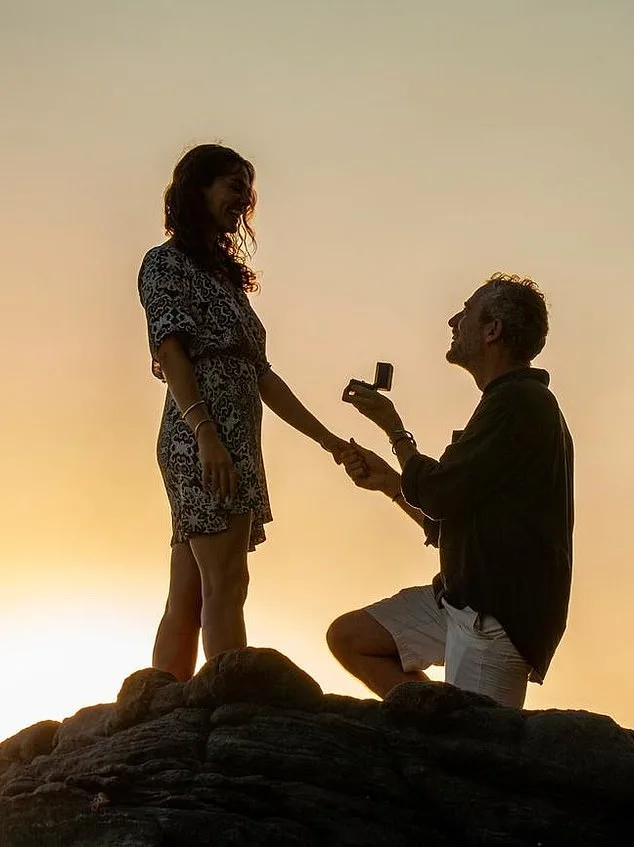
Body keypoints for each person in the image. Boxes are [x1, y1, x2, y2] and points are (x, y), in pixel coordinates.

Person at [138, 143, 347, 681]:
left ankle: (169, 718)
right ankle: (229, 711)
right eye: (232, 184)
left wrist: (331, 442)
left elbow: (262, 377)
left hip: (232, 441)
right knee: (227, 585)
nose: (243, 198)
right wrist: (207, 434)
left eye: (246, 188)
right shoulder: (166, 263)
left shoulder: (226, 280)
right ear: (197, 189)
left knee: (190, 593)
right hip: (203, 437)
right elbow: (171, 352)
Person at [328, 273, 574, 708]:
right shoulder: (509, 403)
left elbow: (440, 495)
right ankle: (435, 720)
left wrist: (395, 431)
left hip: (492, 619)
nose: (453, 320)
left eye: (465, 313)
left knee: (477, 757)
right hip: (457, 601)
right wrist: (389, 482)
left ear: (492, 329)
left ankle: (443, 729)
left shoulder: (519, 403)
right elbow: (450, 518)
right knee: (351, 638)